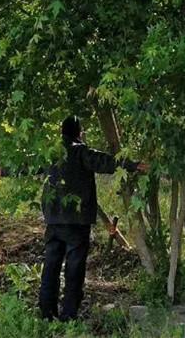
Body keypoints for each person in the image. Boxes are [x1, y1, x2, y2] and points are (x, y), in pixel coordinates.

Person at [38, 115, 149, 322]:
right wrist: (134, 165)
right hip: (77, 221)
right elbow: (106, 162)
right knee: (74, 269)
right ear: (79, 133)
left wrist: (2, 171)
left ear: (61, 132)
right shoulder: (81, 152)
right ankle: (69, 316)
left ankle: (47, 314)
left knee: (51, 266)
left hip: (53, 219)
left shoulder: (51, 154)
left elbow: (27, 166)